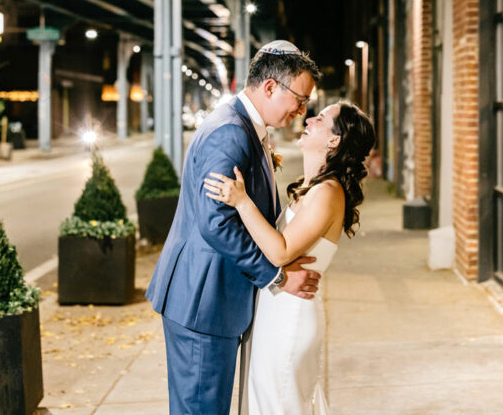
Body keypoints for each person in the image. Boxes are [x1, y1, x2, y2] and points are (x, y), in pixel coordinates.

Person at [146, 40, 322, 414]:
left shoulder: (244, 125)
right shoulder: (230, 131)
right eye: (300, 99)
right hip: (202, 301)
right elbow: (215, 223)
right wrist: (276, 277)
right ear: (271, 86)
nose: (303, 110)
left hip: (213, 299)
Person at [204, 100, 375, 413]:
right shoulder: (313, 188)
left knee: (278, 402)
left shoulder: (327, 192)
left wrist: (242, 202)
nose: (309, 120)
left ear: (334, 140)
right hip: (275, 307)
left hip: (290, 316)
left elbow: (280, 250)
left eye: (320, 119)